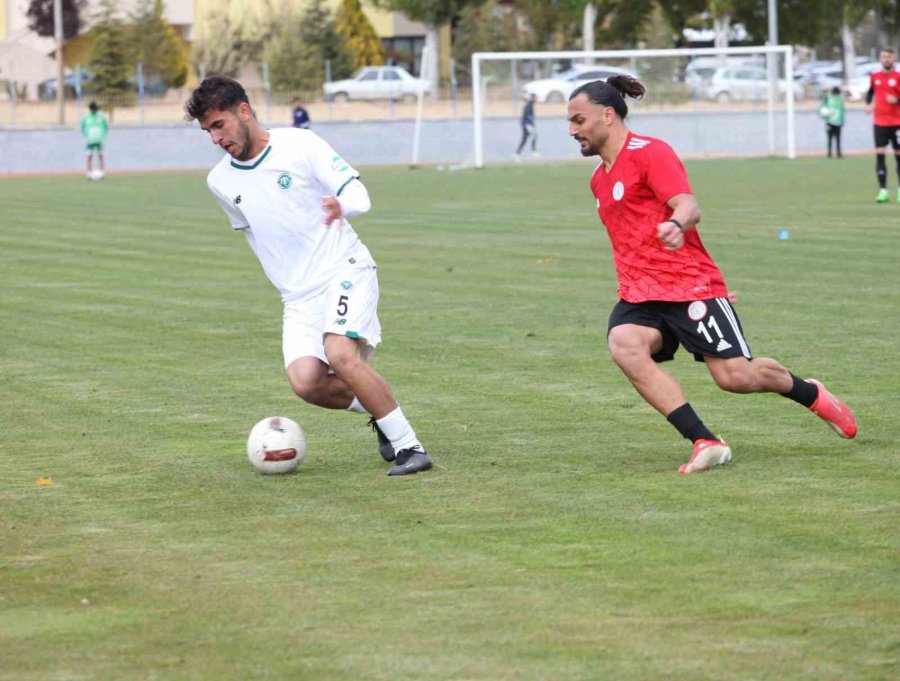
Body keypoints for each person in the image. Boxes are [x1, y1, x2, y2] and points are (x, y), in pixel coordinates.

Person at [566, 76, 858, 474]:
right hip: (641, 293)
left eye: (579, 120)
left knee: (735, 377)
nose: (572, 131)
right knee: (624, 344)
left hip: (689, 286)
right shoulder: (598, 179)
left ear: (607, 115)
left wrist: (677, 224)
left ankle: (811, 392)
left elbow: (688, 204)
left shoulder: (650, 152)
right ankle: (705, 441)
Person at [184, 76, 432, 476]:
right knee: (306, 383)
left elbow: (359, 196)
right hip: (298, 297)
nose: (215, 139)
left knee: (340, 354)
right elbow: (256, 234)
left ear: (243, 111)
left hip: (343, 268)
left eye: (219, 125)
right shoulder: (220, 182)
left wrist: (341, 206)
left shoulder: (301, 144)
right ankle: (383, 414)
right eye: (207, 131)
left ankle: (410, 448)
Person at [865, 48, 900, 202]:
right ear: (880, 58)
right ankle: (883, 191)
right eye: (884, 56)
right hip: (879, 123)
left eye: (889, 56)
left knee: (898, 156)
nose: (886, 59)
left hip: (897, 123)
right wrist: (868, 104)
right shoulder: (875, 76)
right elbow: (870, 93)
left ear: (893, 58)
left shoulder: (898, 77)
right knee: (880, 155)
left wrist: (897, 100)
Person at [81, 101, 108, 179]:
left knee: (101, 155)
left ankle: (102, 171)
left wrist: (103, 135)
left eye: (95, 109)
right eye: (93, 109)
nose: (94, 111)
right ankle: (88, 172)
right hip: (90, 140)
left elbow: (106, 126)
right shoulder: (86, 116)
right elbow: (83, 126)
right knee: (89, 155)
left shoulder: (101, 116)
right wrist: (86, 134)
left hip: (99, 139)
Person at [820, 86, 845, 158]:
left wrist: (842, 120)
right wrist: (823, 115)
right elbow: (822, 106)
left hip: (838, 122)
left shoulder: (840, 98)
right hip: (829, 122)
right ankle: (829, 153)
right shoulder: (827, 97)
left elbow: (842, 110)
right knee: (829, 138)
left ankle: (838, 153)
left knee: (838, 138)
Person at [515, 93, 538, 158]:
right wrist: (531, 122)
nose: (536, 99)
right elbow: (527, 115)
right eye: (535, 97)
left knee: (525, 139)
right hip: (527, 124)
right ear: (532, 97)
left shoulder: (530, 104)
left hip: (526, 124)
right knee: (534, 136)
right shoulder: (529, 105)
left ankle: (517, 153)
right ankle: (534, 151)